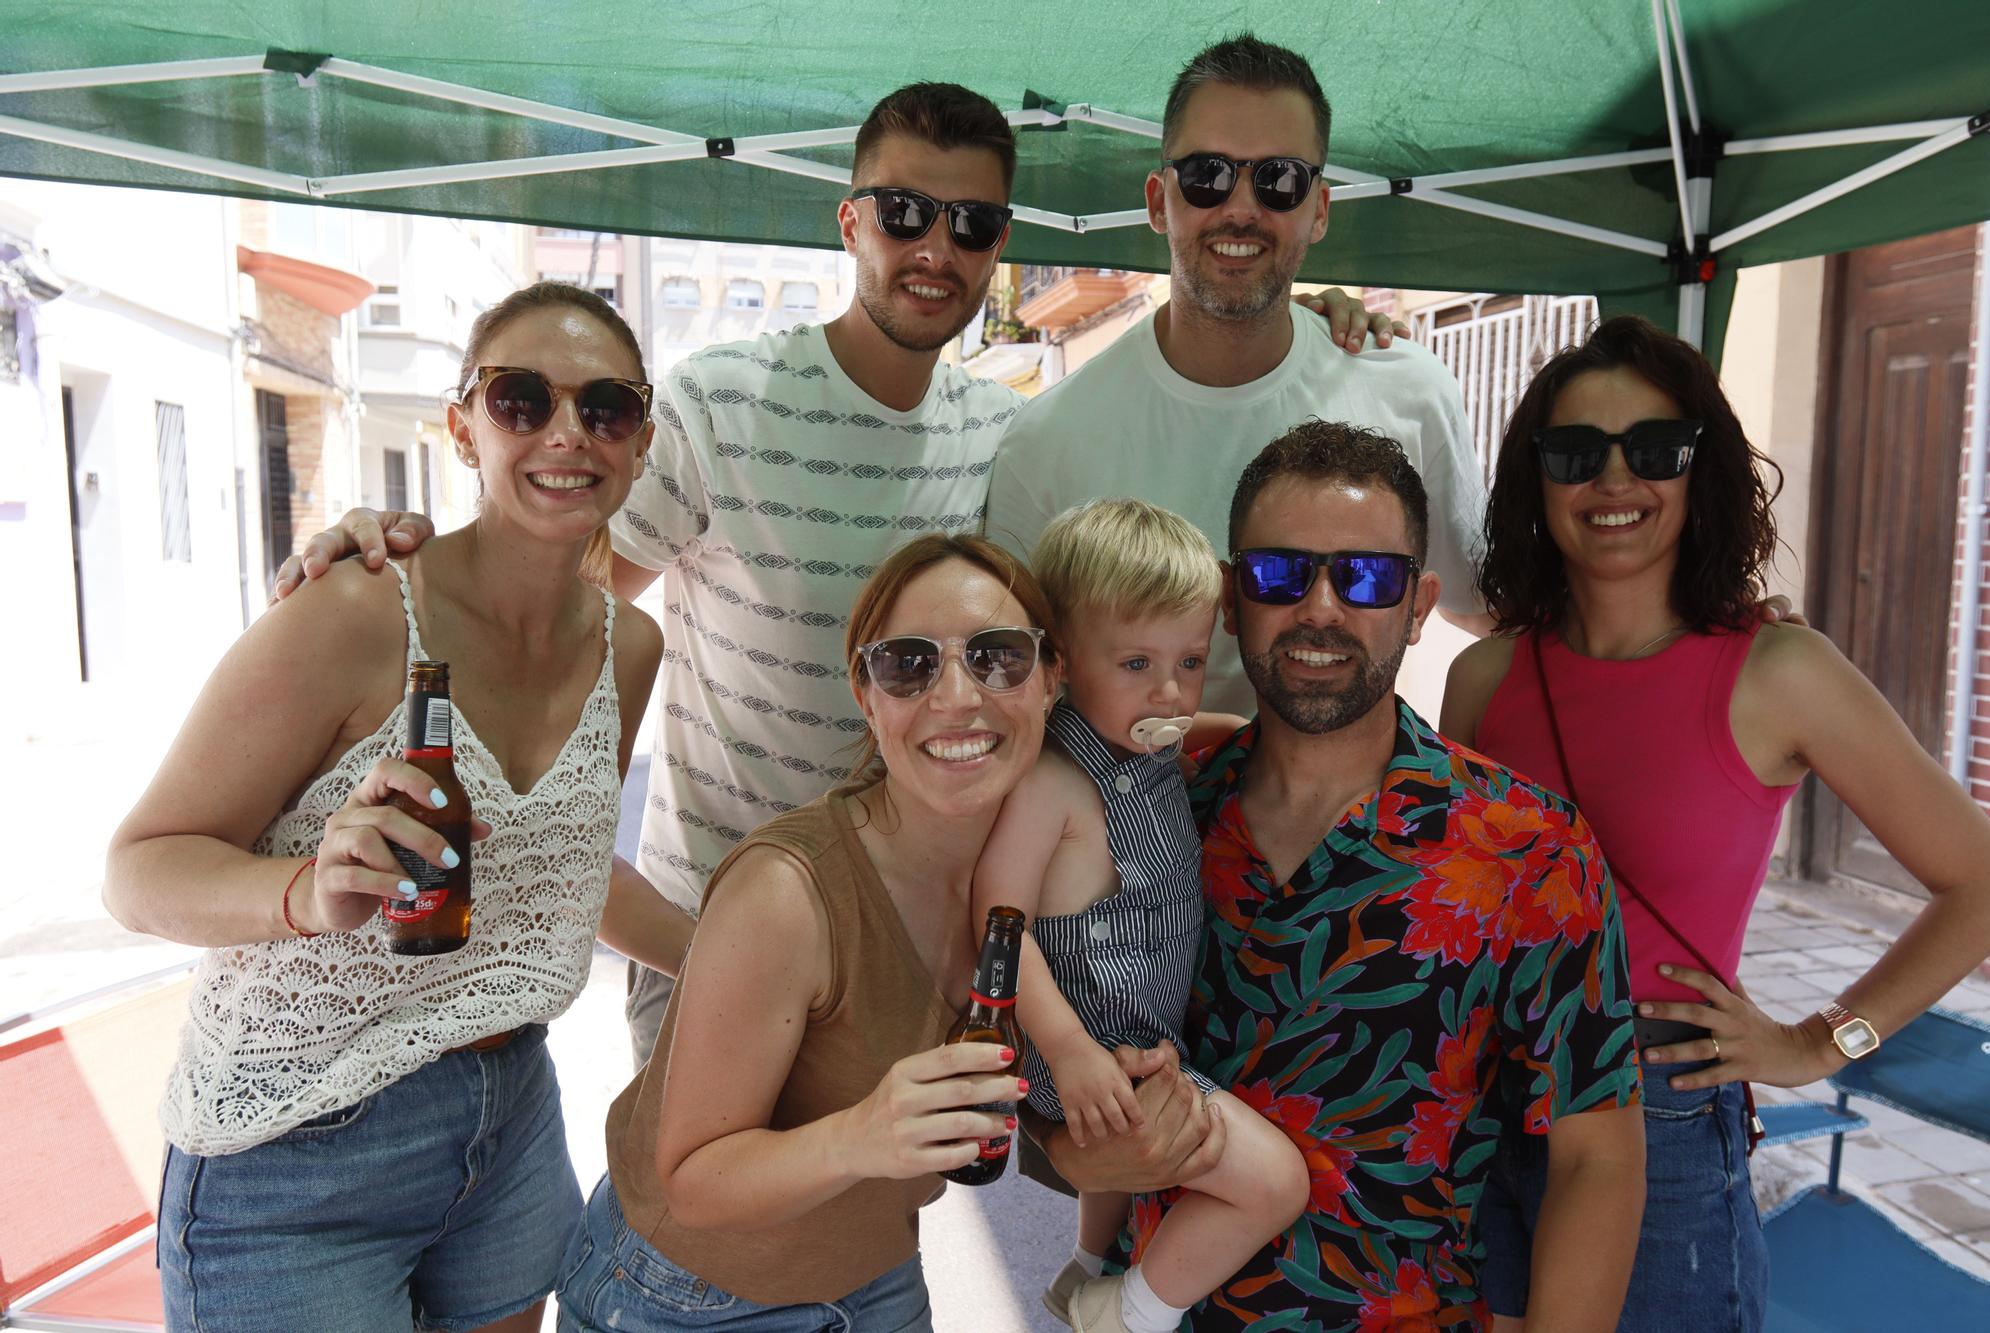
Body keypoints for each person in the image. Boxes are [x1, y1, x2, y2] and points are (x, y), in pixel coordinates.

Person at [271, 80, 1399, 1068]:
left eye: (970, 223)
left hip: (907, 938)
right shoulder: (721, 404)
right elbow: (544, 606)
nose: (934, 249)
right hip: (711, 931)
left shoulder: (1003, 438)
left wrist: (1317, 317)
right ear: (849, 222)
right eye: (904, 213)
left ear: (998, 244)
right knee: (701, 1259)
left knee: (859, 1256)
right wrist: (398, 542)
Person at [102, 282, 688, 1332]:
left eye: (604, 408)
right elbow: (139, 866)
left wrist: (760, 958)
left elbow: (553, 871)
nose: (566, 434)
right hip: (296, 1153)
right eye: (521, 399)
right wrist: (304, 889)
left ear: (641, 441)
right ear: (462, 425)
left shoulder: (627, 648)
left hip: (508, 1119)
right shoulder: (357, 610)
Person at [1437, 315, 1990, 1333]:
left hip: (1661, 1114)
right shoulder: (1483, 678)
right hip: (1487, 1106)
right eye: (1574, 453)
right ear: (1536, 478)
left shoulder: (1778, 669)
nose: (1613, 481)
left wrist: (1823, 1042)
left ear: (1702, 471)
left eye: (1652, 449)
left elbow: (1983, 882)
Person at [1038, 421, 1647, 1331]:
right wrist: (1073, 1156)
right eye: (1282, 574)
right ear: (1233, 600)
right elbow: (1043, 1039)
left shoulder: (1529, 849)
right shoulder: (1152, 809)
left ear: (1417, 604)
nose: (1321, 606)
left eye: (1366, 576)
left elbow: (1596, 1155)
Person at [553, 533, 1054, 1331]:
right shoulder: (788, 892)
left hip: (874, 1266)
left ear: (1050, 678)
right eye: (909, 664)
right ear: (867, 693)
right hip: (687, 1299)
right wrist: (866, 1132)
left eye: (998, 656)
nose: (958, 694)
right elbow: (692, 1177)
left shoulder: (1027, 859)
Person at [985, 33, 1493, 720]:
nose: (1241, 208)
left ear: (1319, 208)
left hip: (1344, 822)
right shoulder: (1048, 439)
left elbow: (1491, 616)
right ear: (1159, 200)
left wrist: (1461, 776)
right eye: (1207, 175)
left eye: (1279, 179)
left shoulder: (1410, 391)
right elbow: (1006, 679)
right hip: (1118, 824)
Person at [969, 499, 1307, 1333]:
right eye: (1135, 663)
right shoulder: (1055, 784)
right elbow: (995, 920)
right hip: (1086, 1051)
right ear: (1060, 666)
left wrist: (1264, 739)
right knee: (1276, 1181)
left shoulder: (1149, 746)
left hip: (1130, 1028)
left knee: (1124, 1181)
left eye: (1190, 661)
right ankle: (1128, 1311)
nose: (1169, 690)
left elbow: (1208, 730)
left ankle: (1086, 1264)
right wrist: (1067, 1047)